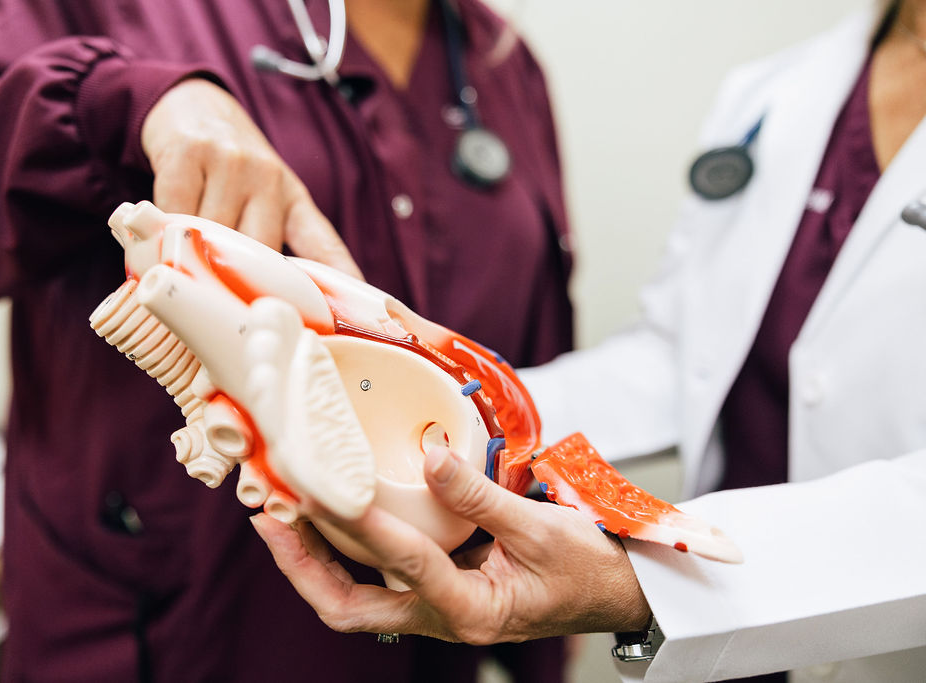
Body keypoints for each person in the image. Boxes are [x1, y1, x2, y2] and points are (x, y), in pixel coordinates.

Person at [0, 0, 575, 681]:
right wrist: (122, 104)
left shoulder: (507, 71)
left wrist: (546, 636)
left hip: (422, 648)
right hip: (162, 643)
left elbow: (533, 412)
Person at [254, 1, 926, 680]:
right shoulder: (778, 91)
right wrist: (456, 400)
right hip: (731, 651)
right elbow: (679, 357)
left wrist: (638, 584)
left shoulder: (507, 64)